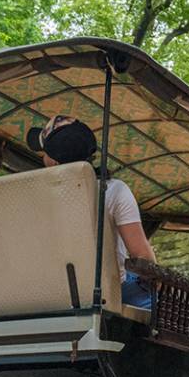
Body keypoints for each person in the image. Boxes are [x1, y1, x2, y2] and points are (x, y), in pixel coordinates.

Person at [31, 115, 157, 308]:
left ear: (54, 162)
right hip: (110, 294)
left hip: (52, 295)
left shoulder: (37, 198)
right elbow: (143, 258)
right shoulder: (114, 190)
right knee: (171, 306)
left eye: (44, 153)